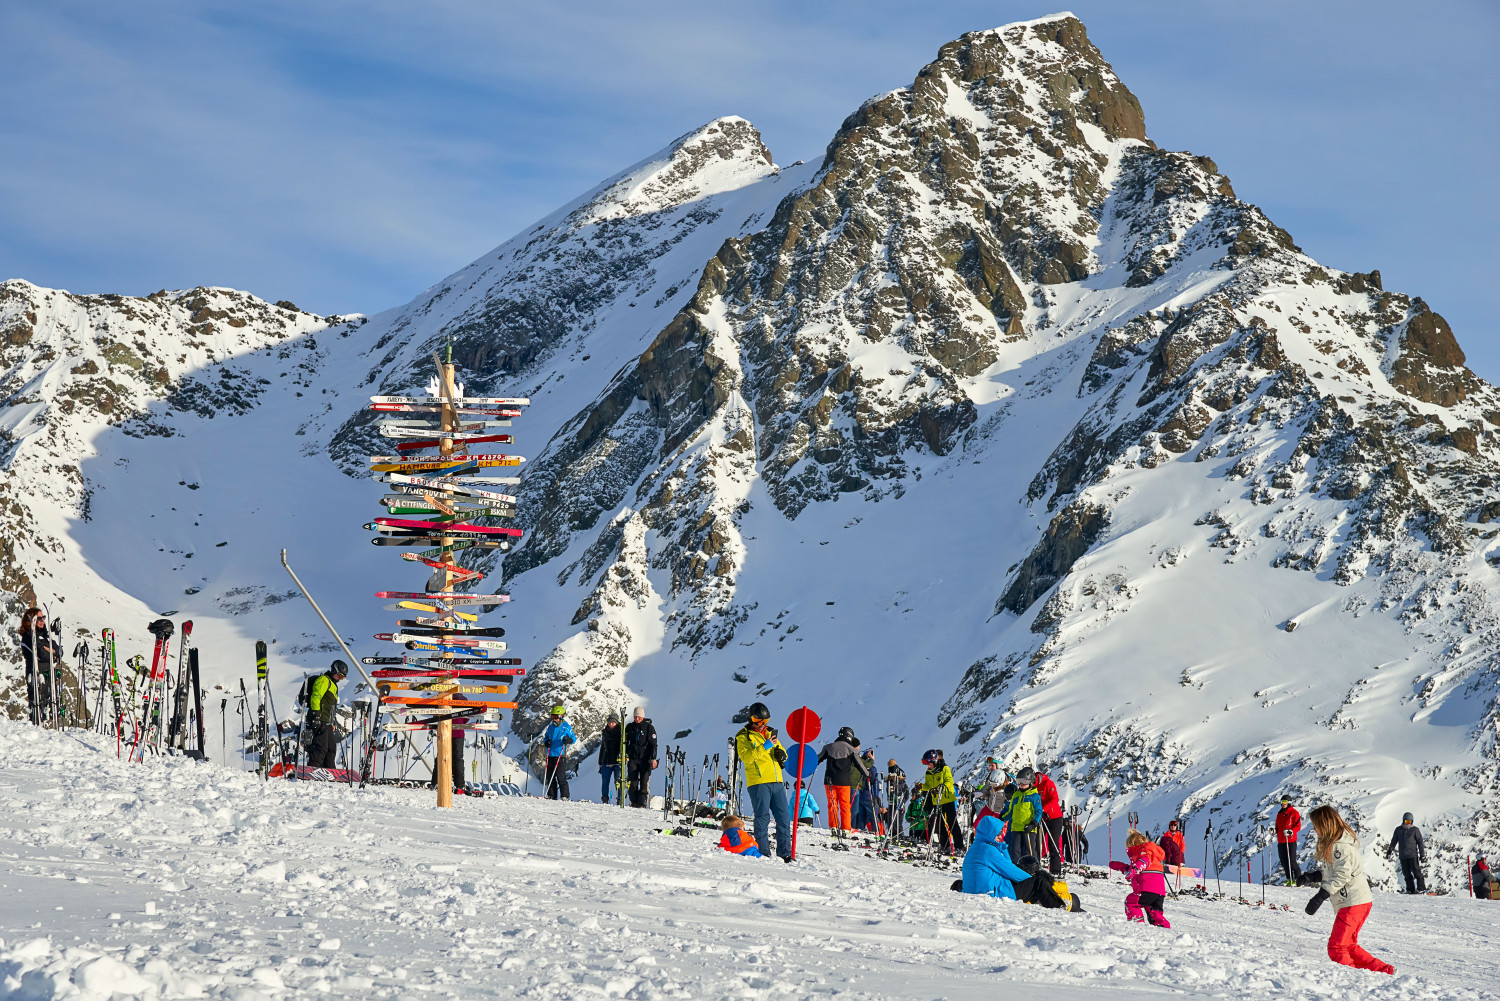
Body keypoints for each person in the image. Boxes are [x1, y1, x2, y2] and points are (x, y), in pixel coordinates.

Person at [1302, 804, 1395, 975]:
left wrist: (1320, 897)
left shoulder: (1341, 847)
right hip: (1356, 902)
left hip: (1353, 902)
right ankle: (1384, 972)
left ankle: (1353, 978)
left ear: (1325, 824)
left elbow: (1341, 876)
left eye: (1316, 825)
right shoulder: (1337, 844)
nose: (1314, 829)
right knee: (1348, 946)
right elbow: (1333, 872)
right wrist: (1311, 877)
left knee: (1336, 948)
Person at [733, 702, 791, 861]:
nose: (762, 726)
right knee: (762, 818)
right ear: (751, 719)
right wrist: (764, 746)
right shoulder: (743, 736)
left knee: (784, 818)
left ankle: (785, 853)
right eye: (759, 722)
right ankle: (763, 852)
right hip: (758, 782)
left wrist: (781, 754)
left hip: (777, 781)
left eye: (765, 722)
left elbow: (783, 752)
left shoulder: (770, 733)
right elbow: (746, 757)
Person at [960, 814, 1033, 898]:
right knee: (1040, 882)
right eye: (998, 833)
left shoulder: (976, 846)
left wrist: (1003, 849)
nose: (1000, 836)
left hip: (974, 890)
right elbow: (1009, 870)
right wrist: (1031, 881)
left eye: (1001, 832)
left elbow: (1007, 866)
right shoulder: (988, 850)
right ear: (989, 833)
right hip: (988, 892)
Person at [1113, 831, 1170, 927]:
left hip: (1147, 888)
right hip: (1159, 891)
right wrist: (1122, 867)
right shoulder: (1152, 853)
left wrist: (1134, 869)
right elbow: (1141, 866)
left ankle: (1137, 925)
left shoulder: (1144, 851)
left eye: (1129, 847)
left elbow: (1144, 861)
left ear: (1133, 845)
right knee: (1154, 912)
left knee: (1131, 902)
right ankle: (1163, 929)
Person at [818, 727, 868, 834]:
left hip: (829, 781)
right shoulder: (852, 749)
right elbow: (860, 766)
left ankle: (834, 827)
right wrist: (868, 775)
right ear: (850, 736)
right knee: (845, 805)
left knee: (832, 804)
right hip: (844, 782)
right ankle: (845, 829)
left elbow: (817, 759)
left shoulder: (828, 747)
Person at [920, 750, 964, 854]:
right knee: (938, 824)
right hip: (937, 801)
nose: (927, 766)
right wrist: (922, 787)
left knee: (951, 822)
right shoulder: (929, 772)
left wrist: (941, 788)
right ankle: (945, 846)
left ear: (934, 761)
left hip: (947, 799)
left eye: (928, 763)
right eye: (926, 764)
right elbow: (928, 785)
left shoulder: (944, 768)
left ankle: (959, 846)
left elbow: (949, 782)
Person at [306, 660, 347, 769]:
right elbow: (316, 697)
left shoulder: (333, 686)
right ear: (334, 670)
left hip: (327, 721)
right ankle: (313, 770)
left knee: (331, 749)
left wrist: (333, 723)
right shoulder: (324, 680)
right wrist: (316, 715)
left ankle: (330, 772)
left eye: (343, 677)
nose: (340, 678)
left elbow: (331, 707)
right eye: (340, 675)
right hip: (319, 718)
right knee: (320, 747)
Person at [1001, 768, 1043, 864]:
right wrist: (1002, 817)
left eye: (1024, 781)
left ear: (1031, 781)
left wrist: (1033, 823)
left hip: (1028, 828)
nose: (1021, 784)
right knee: (1014, 851)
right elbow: (1011, 812)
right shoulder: (1016, 795)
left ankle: (1032, 869)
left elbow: (1038, 811)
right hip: (1016, 827)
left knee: (1028, 851)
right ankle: (1016, 871)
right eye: (1019, 781)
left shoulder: (1034, 796)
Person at [1031, 765, 1066, 875]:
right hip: (1041, 817)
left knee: (1053, 844)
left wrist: (1043, 809)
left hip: (1054, 817)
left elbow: (1054, 799)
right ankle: (1035, 868)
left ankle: (1055, 870)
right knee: (1037, 843)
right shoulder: (1032, 787)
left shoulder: (1047, 783)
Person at [1385, 812, 1427, 894]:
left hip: (1413, 855)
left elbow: (1420, 843)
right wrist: (1390, 850)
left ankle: (1421, 889)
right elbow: (1394, 841)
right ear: (1403, 821)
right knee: (1407, 874)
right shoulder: (1398, 830)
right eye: (1406, 821)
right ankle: (1410, 889)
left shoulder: (1415, 830)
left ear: (1412, 822)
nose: (1407, 824)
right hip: (1403, 856)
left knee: (1417, 872)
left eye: (1409, 822)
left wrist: (1422, 855)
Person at [624, 706, 658, 808]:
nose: (637, 719)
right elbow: (625, 743)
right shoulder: (630, 727)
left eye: (639, 717)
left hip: (645, 759)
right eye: (635, 716)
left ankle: (642, 804)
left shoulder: (649, 728)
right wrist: (625, 755)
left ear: (642, 716)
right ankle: (633, 802)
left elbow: (653, 744)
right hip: (633, 758)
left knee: (644, 782)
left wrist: (653, 758)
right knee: (632, 782)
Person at [542, 705, 575, 800]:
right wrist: (546, 742)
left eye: (556, 717)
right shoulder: (551, 727)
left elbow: (573, 738)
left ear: (561, 716)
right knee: (550, 776)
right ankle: (552, 795)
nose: (554, 719)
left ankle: (565, 796)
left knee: (560, 777)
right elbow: (546, 737)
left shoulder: (566, 727)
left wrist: (568, 740)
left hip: (560, 755)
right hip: (550, 754)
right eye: (553, 717)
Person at [1276, 795, 1302, 885]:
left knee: (1292, 861)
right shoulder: (1279, 814)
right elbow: (1277, 827)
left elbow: (1298, 826)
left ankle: (1299, 879)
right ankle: (1289, 879)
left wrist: (1291, 831)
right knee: (1284, 861)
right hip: (1281, 841)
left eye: (1285, 802)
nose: (1283, 804)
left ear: (1289, 803)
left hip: (1290, 840)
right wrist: (1273, 830)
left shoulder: (1294, 813)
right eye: (1282, 802)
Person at [598, 713, 622, 804]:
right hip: (606, 761)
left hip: (617, 761)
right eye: (609, 722)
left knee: (618, 781)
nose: (611, 724)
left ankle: (619, 799)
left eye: (613, 722)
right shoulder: (605, 732)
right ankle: (605, 799)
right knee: (605, 781)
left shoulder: (621, 732)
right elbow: (602, 747)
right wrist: (600, 762)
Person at [886, 759, 909, 837]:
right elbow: (889, 791)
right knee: (891, 821)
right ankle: (892, 835)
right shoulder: (890, 781)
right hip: (891, 803)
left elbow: (906, 794)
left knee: (897, 822)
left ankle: (899, 836)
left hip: (899, 804)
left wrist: (902, 802)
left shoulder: (901, 780)